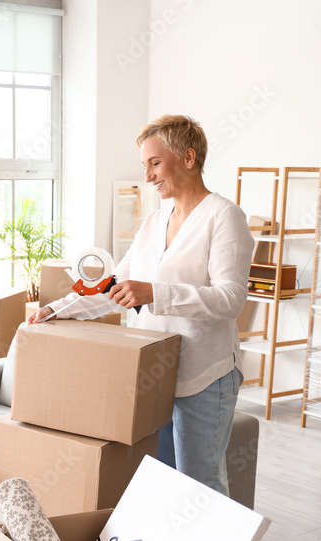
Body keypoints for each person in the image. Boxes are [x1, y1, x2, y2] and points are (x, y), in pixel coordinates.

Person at [29, 114, 253, 495]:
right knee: (159, 481)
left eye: (154, 163)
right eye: (145, 165)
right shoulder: (154, 220)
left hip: (204, 375)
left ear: (187, 157)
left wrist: (156, 293)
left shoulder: (224, 216)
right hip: (153, 374)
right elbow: (115, 285)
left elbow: (230, 299)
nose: (148, 176)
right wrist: (56, 309)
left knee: (200, 487)